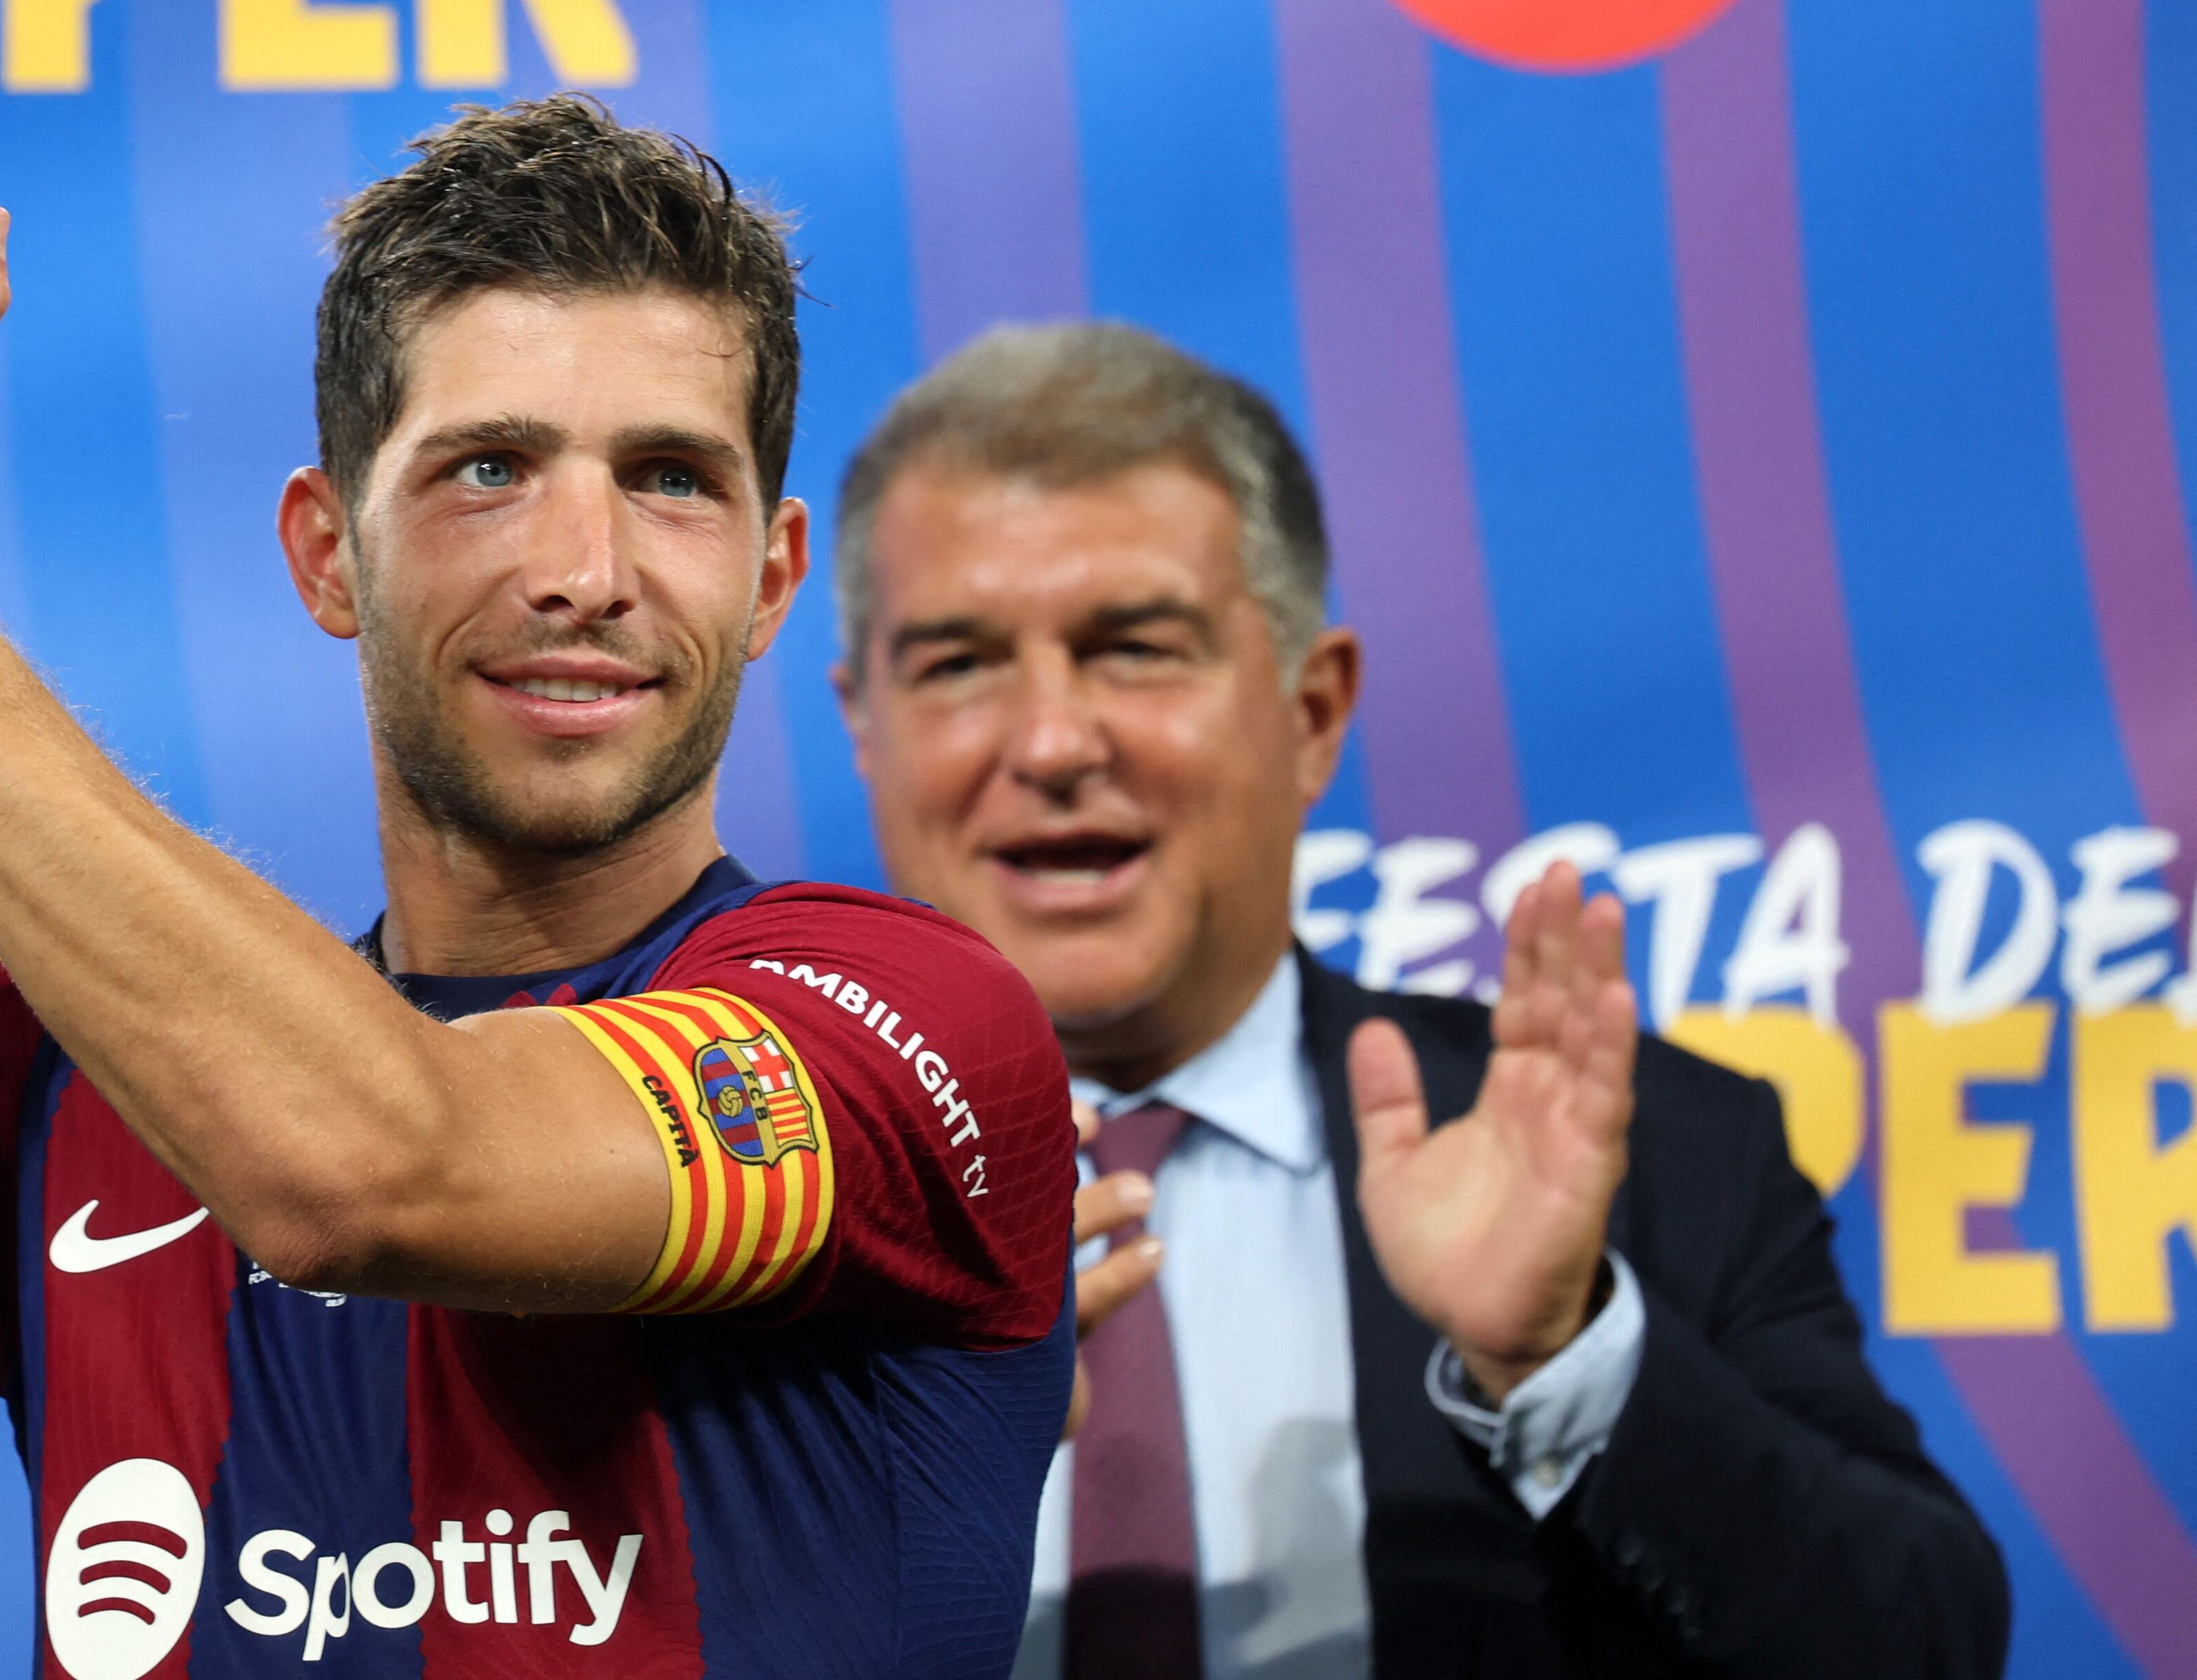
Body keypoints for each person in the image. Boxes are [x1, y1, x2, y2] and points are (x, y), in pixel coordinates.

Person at [0, 89, 1076, 1677]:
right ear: (328, 552)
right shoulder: (79, 1086)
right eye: (486, 469)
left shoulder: (916, 1035)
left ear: (773, 580)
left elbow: (375, 1164)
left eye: (669, 481)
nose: (583, 568)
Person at [826, 322, 2008, 1680]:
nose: (1048, 741)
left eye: (1135, 646)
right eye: (960, 662)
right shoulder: (725, 1200)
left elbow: (1923, 1644)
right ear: (864, 722)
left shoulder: (1660, 1157)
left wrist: (1560, 1355)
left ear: (1312, 708)